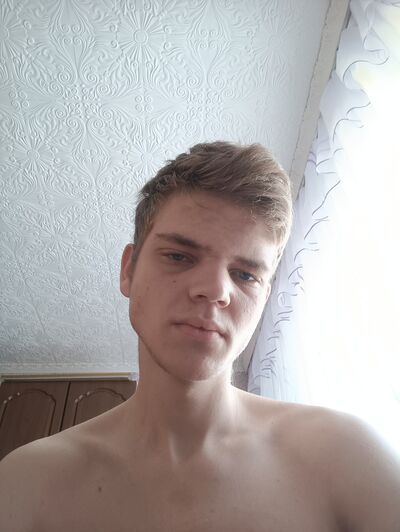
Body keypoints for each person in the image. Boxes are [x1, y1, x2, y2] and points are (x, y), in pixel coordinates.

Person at [0, 141, 399, 532]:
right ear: (128, 270)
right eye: (179, 256)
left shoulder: (346, 456)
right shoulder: (27, 483)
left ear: (264, 299)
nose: (215, 290)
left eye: (245, 275)